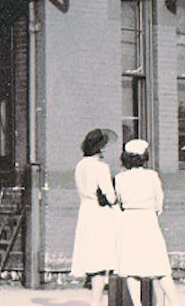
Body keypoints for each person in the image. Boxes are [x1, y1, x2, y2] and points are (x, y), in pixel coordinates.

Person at [114, 139, 181, 306]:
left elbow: (119, 201)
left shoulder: (120, 178)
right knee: (160, 267)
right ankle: (175, 302)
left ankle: (137, 304)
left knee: (131, 268)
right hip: (148, 220)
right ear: (145, 157)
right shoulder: (152, 176)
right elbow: (159, 203)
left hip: (129, 221)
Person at [70, 128, 118, 306]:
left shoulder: (80, 165)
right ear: (100, 149)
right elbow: (110, 195)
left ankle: (96, 300)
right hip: (100, 214)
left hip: (86, 212)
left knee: (93, 258)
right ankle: (96, 302)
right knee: (101, 260)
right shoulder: (101, 167)